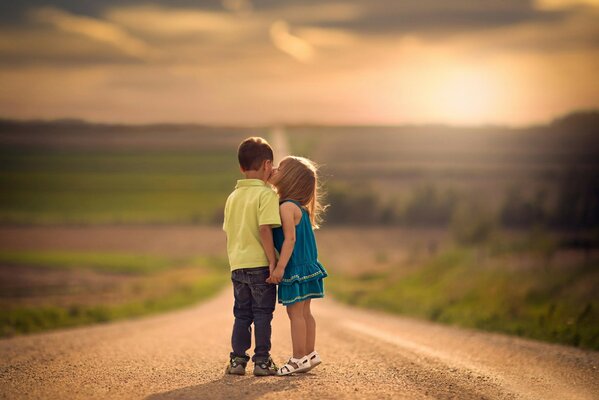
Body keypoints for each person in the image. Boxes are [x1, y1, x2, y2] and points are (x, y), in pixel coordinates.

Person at [223, 137, 281, 376]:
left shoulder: (232, 197)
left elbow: (230, 230)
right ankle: (262, 361)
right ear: (267, 165)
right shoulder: (266, 195)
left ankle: (237, 361)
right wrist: (272, 260)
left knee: (242, 313)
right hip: (259, 264)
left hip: (237, 265)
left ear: (241, 167)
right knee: (262, 314)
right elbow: (265, 228)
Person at [266, 156, 328, 376]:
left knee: (296, 314)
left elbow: (290, 240)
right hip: (308, 266)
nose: (273, 169)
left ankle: (298, 357)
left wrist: (280, 267)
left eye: (280, 168)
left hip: (294, 268)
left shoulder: (285, 207)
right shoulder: (299, 208)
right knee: (305, 312)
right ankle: (310, 354)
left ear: (289, 179)